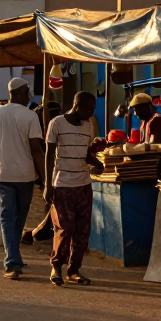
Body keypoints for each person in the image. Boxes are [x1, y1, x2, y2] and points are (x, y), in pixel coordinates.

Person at [0, 78, 44, 279]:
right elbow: (36, 150)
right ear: (19, 92)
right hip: (25, 176)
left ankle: (13, 258)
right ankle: (12, 261)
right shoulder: (31, 116)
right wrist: (45, 179)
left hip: (2, 174)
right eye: (27, 92)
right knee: (18, 218)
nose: (29, 95)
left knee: (8, 217)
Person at [44, 90, 104, 286]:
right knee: (64, 228)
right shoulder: (57, 123)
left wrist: (97, 163)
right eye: (87, 109)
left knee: (82, 230)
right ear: (76, 105)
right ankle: (56, 267)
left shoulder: (88, 126)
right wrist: (47, 185)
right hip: (62, 184)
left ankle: (74, 270)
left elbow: (86, 153)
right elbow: (48, 154)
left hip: (84, 184)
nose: (90, 113)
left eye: (92, 110)